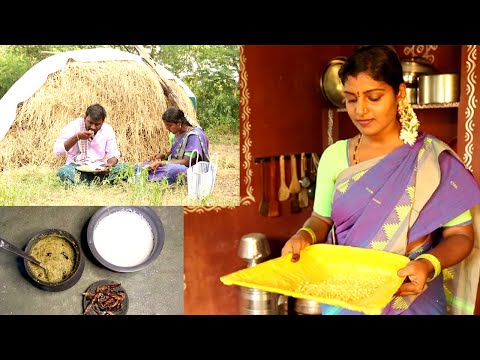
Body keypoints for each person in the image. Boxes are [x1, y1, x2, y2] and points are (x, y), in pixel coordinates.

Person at [281, 45, 480, 315]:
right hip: (346, 298)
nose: (360, 110)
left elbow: (461, 236)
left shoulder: (433, 159)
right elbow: (321, 219)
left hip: (413, 301)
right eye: (351, 99)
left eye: (373, 97)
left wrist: (428, 263)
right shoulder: (335, 157)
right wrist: (304, 235)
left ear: (399, 93)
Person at [53, 103, 126, 185]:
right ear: (85, 118)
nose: (93, 127)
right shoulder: (73, 126)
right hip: (76, 168)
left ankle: (86, 183)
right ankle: (98, 183)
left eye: (97, 124)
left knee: (124, 168)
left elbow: (113, 154)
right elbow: (57, 151)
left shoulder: (107, 129)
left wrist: (109, 166)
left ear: (103, 122)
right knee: (63, 172)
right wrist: (77, 137)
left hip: (99, 169)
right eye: (90, 122)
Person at [135, 106, 210, 185]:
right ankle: (143, 175)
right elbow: (175, 151)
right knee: (141, 165)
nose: (167, 128)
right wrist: (163, 156)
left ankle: (143, 177)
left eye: (169, 125)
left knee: (172, 170)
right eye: (166, 125)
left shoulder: (193, 136)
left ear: (179, 123)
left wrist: (162, 163)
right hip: (173, 165)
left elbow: (186, 161)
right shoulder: (176, 133)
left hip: (188, 170)